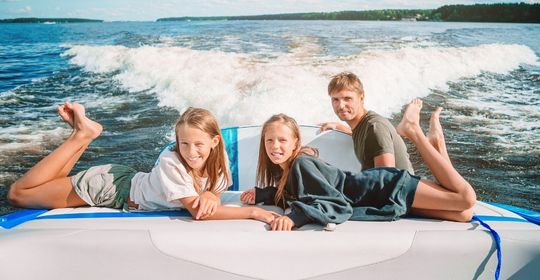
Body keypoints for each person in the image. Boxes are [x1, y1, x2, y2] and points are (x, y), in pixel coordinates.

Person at [8, 101, 276, 223]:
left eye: (199, 145)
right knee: (19, 195)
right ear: (176, 141)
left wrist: (211, 193)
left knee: (51, 184)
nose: (191, 152)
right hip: (109, 189)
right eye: (184, 143)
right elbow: (199, 212)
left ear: (215, 142)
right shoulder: (171, 160)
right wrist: (254, 213)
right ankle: (82, 135)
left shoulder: (219, 158)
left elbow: (215, 188)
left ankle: (82, 135)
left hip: (124, 179)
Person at [240, 99, 476, 231]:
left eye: (282, 140)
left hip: (385, 186)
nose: (275, 146)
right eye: (269, 140)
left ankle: (418, 133)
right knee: (464, 215)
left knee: (466, 199)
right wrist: (264, 193)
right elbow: (296, 195)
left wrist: (295, 219)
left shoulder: (302, 163)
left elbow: (335, 204)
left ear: (295, 144)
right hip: (384, 202)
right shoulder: (289, 176)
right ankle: (437, 145)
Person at [319, 72, 414, 173]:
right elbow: (363, 136)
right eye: (335, 99)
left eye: (347, 98)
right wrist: (337, 126)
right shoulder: (363, 126)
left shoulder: (375, 127)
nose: (341, 105)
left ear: (361, 98)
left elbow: (387, 177)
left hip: (399, 188)